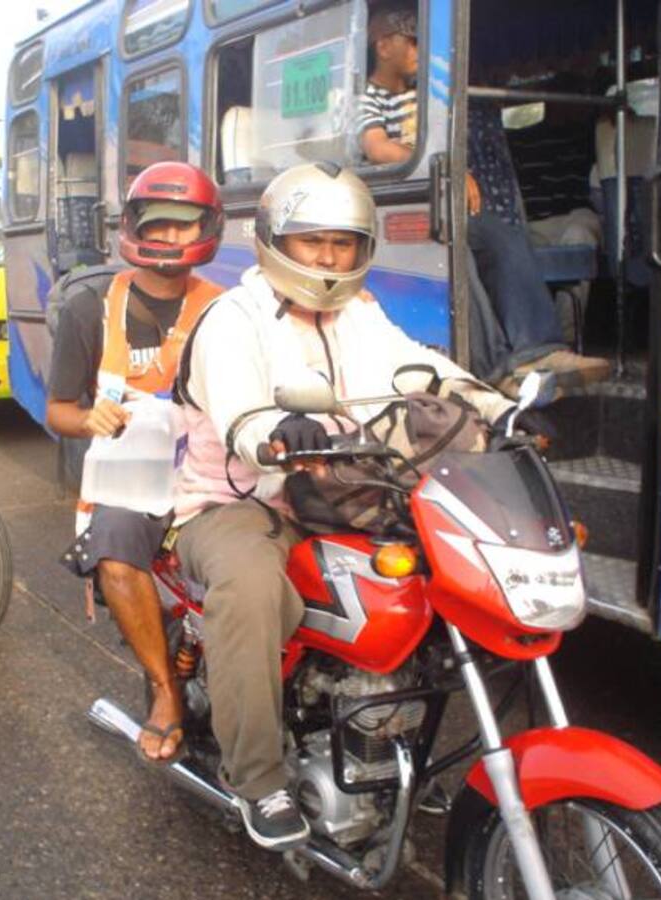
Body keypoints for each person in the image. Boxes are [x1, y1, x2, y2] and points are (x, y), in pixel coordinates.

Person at [170, 162, 518, 850]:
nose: (329, 259)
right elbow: (239, 410)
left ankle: (391, 742)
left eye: (343, 243)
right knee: (251, 588)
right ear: (275, 241)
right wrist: (275, 430)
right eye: (313, 241)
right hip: (241, 501)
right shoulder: (232, 318)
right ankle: (259, 778)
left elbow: (419, 368)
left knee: (435, 575)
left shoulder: (358, 313)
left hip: (347, 491)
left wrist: (495, 406)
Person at [47, 162, 224, 764]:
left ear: (207, 228)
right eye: (158, 224)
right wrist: (88, 419)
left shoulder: (228, 309)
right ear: (134, 227)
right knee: (116, 546)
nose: (171, 237)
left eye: (184, 225)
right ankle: (163, 686)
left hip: (212, 473)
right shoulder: (90, 308)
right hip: (132, 479)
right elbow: (58, 411)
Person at [357, 3, 609, 393]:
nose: (422, 53)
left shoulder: (424, 96)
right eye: (414, 43)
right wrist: (452, 170)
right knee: (455, 257)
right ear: (384, 45)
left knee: (502, 236)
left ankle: (539, 350)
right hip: (402, 207)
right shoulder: (367, 97)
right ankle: (495, 370)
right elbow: (376, 147)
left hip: (442, 200)